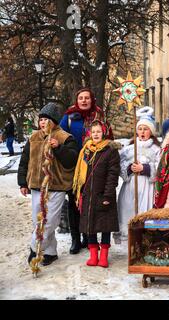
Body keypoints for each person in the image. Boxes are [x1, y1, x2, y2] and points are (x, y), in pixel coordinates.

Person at [17, 103, 78, 266]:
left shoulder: (65, 137)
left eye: (46, 119)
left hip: (56, 186)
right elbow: (25, 161)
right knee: (38, 220)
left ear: (54, 121)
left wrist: (58, 148)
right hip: (36, 185)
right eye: (41, 119)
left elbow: (71, 161)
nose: (42, 122)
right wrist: (23, 182)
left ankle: (34, 248)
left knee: (50, 221)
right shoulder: (34, 137)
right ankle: (50, 252)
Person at [60, 88, 114, 254]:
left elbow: (109, 136)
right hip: (74, 166)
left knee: (91, 201)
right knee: (75, 202)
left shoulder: (99, 115)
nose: (84, 101)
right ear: (77, 100)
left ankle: (87, 237)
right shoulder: (69, 116)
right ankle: (76, 239)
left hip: (96, 165)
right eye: (80, 98)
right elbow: (59, 136)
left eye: (87, 98)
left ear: (92, 100)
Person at [72, 120, 121, 268]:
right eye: (93, 132)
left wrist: (107, 195)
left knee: (105, 226)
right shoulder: (86, 151)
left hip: (104, 194)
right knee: (90, 226)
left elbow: (113, 175)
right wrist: (79, 193)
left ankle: (104, 256)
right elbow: (81, 173)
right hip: (87, 194)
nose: (96, 134)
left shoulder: (110, 151)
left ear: (104, 133)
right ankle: (93, 255)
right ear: (89, 134)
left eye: (99, 131)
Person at [115, 110, 161, 243]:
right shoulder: (129, 149)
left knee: (145, 213)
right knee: (128, 211)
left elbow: (160, 167)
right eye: (140, 128)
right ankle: (130, 243)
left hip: (147, 186)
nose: (142, 132)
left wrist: (145, 168)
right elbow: (121, 165)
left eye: (145, 129)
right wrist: (129, 169)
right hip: (131, 186)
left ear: (151, 131)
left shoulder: (157, 149)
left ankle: (147, 241)